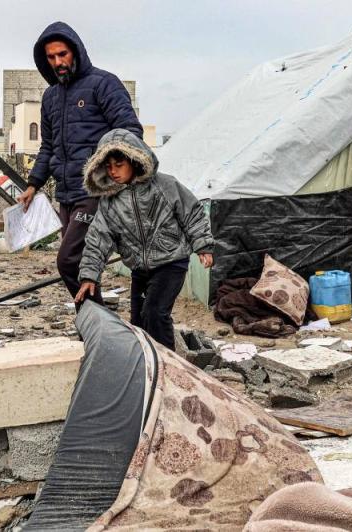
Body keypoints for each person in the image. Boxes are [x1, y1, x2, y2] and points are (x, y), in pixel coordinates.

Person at [18, 21, 143, 307]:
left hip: (96, 191)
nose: (58, 62)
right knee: (84, 265)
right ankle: (97, 326)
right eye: (51, 58)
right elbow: (47, 146)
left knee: (69, 260)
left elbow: (129, 131)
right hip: (66, 193)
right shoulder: (50, 97)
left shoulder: (103, 84)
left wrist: (111, 171)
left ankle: (96, 321)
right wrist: (33, 184)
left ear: (76, 51)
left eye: (62, 54)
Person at [74, 129, 215, 350]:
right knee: (138, 319)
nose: (113, 172)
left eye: (118, 165)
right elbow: (97, 238)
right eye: (108, 167)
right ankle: (146, 362)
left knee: (155, 312)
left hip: (171, 262)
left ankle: (168, 364)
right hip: (140, 268)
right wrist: (89, 275)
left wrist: (203, 245)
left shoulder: (164, 186)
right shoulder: (109, 201)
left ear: (134, 160)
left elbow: (192, 212)